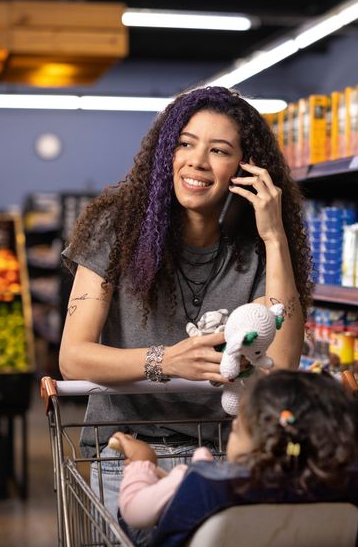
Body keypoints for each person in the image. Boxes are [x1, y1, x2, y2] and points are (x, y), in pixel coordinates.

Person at [58, 86, 313, 515]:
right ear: (166, 153)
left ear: (244, 167)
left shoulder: (256, 250)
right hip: (126, 452)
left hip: (223, 459)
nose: (196, 161)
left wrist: (274, 236)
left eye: (219, 150)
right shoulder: (116, 229)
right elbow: (73, 357)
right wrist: (166, 361)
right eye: (185, 144)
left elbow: (283, 364)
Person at [112, 371, 358, 546]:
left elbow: (134, 511)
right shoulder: (345, 483)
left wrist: (141, 463)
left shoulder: (200, 480)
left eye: (236, 429)